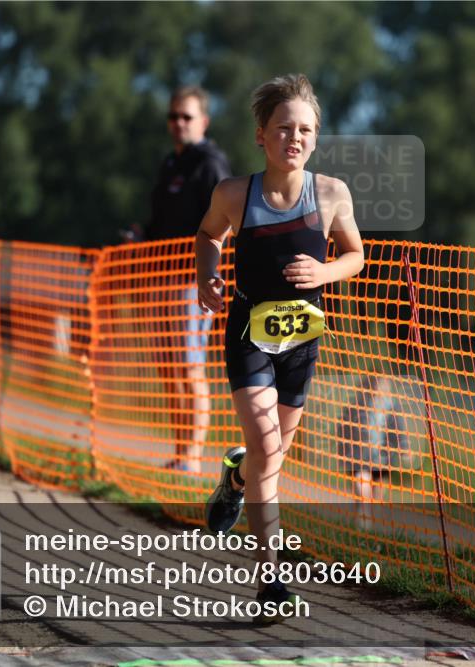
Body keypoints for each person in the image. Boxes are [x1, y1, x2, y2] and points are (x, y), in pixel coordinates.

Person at [195, 74, 364, 623]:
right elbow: (208, 236)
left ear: (316, 138)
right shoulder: (233, 194)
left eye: (306, 130)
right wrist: (207, 277)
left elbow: (355, 256)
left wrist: (324, 269)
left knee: (270, 458)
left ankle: (235, 479)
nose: (296, 137)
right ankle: (272, 580)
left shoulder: (332, 194)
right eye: (284, 128)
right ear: (261, 136)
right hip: (249, 334)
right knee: (268, 447)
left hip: (302, 342)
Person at [147, 86, 231, 473]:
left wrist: (207, 275)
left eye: (187, 116)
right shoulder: (170, 164)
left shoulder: (209, 164)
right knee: (168, 367)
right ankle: (180, 450)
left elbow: (224, 222)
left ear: (204, 122)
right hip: (159, 279)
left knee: (189, 365)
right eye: (173, 116)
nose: (178, 123)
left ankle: (194, 456)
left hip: (191, 282)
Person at [337, 374, 411, 531]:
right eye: (377, 386)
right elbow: (343, 427)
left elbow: (398, 430)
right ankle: (363, 516)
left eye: (383, 386)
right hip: (360, 456)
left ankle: (372, 518)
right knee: (361, 483)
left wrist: (403, 449)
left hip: (383, 459)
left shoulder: (392, 408)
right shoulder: (356, 405)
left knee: (377, 494)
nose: (380, 390)